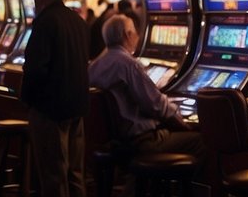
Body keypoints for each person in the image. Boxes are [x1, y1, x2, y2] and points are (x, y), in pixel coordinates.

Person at [88, 15, 206, 166]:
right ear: (127, 35)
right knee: (203, 141)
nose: (138, 36)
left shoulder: (94, 66)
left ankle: (139, 187)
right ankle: (177, 190)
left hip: (118, 141)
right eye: (135, 32)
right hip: (143, 142)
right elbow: (155, 104)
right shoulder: (129, 65)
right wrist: (177, 115)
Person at [21, 0, 90, 197]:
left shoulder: (45, 21)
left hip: (50, 110)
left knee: (54, 176)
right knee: (75, 174)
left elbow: (35, 69)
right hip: (77, 107)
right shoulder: (78, 21)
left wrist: (28, 100)